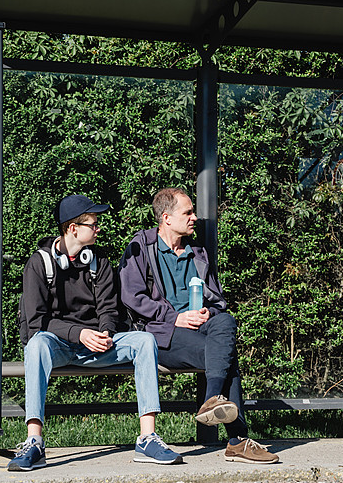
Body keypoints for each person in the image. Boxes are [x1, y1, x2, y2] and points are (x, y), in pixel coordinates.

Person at [8, 195, 182, 471]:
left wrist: (105, 332)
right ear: (73, 228)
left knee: (144, 340)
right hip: (60, 346)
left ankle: (147, 438)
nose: (98, 229)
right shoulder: (39, 263)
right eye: (93, 224)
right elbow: (36, 322)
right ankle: (34, 442)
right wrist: (79, 334)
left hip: (99, 345)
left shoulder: (98, 260)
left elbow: (108, 309)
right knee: (37, 345)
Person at [119, 187, 279, 464]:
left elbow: (219, 301)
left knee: (226, 320)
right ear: (166, 218)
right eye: (188, 212)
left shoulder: (197, 252)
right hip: (161, 333)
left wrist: (209, 311)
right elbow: (132, 297)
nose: (194, 217)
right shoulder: (142, 247)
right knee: (226, 357)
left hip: (200, 328)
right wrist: (175, 318)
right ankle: (238, 439)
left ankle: (213, 399)